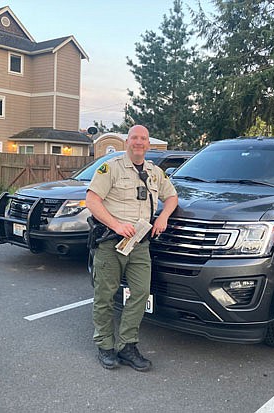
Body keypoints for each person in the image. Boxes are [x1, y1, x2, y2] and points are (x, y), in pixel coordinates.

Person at [85, 125, 178, 371]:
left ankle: (127, 345)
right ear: (128, 141)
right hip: (110, 242)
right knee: (105, 296)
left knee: (140, 293)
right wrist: (115, 225)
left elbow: (172, 197)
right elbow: (91, 200)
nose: (139, 142)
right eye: (135, 137)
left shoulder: (155, 172)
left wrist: (163, 217)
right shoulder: (111, 168)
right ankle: (105, 346)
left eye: (143, 138)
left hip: (140, 244)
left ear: (148, 144)